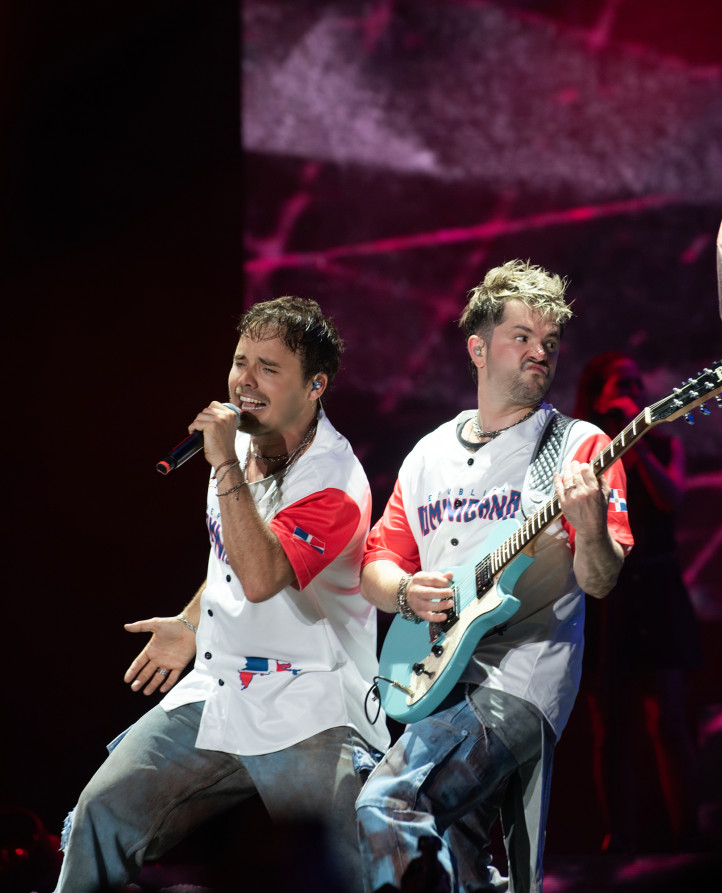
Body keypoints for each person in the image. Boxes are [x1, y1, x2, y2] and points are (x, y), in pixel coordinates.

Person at [54, 296, 390, 893]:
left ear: (315, 386)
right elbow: (231, 560)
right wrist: (191, 621)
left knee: (350, 877)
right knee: (99, 814)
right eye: (240, 361)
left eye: (268, 367)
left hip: (305, 702)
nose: (245, 380)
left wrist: (225, 469)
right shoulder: (235, 446)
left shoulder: (335, 483)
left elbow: (261, 577)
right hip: (220, 686)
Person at [354, 260, 634, 893]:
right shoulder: (427, 454)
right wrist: (404, 590)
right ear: (477, 348)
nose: (542, 353)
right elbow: (375, 566)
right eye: (523, 338)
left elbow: (599, 581)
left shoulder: (581, 447)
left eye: (551, 343)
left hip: (519, 676)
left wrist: (587, 525)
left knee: (386, 807)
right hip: (433, 677)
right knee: (457, 858)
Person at [573, 352, 702, 854]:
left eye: (636, 381)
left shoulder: (666, 444)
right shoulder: (586, 453)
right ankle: (617, 837)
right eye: (619, 383)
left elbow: (669, 497)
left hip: (658, 590)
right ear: (598, 396)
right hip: (610, 596)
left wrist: (638, 438)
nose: (632, 387)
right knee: (608, 722)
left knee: (666, 716)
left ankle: (688, 835)